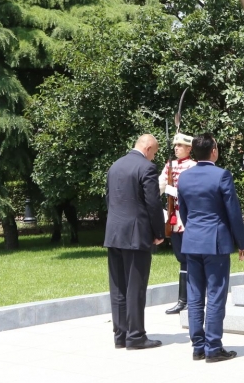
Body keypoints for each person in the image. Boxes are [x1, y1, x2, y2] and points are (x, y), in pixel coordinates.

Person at [176, 133, 244, 363]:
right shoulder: (222, 175)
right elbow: (233, 212)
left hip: (192, 240)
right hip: (215, 242)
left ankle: (198, 346)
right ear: (214, 151)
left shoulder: (184, 178)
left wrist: (194, 233)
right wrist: (242, 243)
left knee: (195, 295)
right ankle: (213, 348)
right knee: (216, 294)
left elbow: (184, 213)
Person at [104, 134, 165, 350]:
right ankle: (136, 336)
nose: (153, 157)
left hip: (113, 234)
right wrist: (159, 232)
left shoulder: (115, 166)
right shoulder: (146, 168)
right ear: (148, 148)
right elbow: (153, 203)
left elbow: (108, 199)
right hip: (136, 234)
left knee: (118, 287)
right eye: (154, 152)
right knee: (136, 287)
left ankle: (120, 335)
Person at [159, 132, 198, 314]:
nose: (176, 148)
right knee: (181, 259)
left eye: (180, 146)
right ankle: (182, 300)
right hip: (173, 219)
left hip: (188, 219)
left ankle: (193, 299)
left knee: (191, 259)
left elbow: (190, 192)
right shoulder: (169, 165)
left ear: (189, 148)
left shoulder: (193, 166)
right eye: (175, 145)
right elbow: (159, 186)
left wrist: (172, 191)